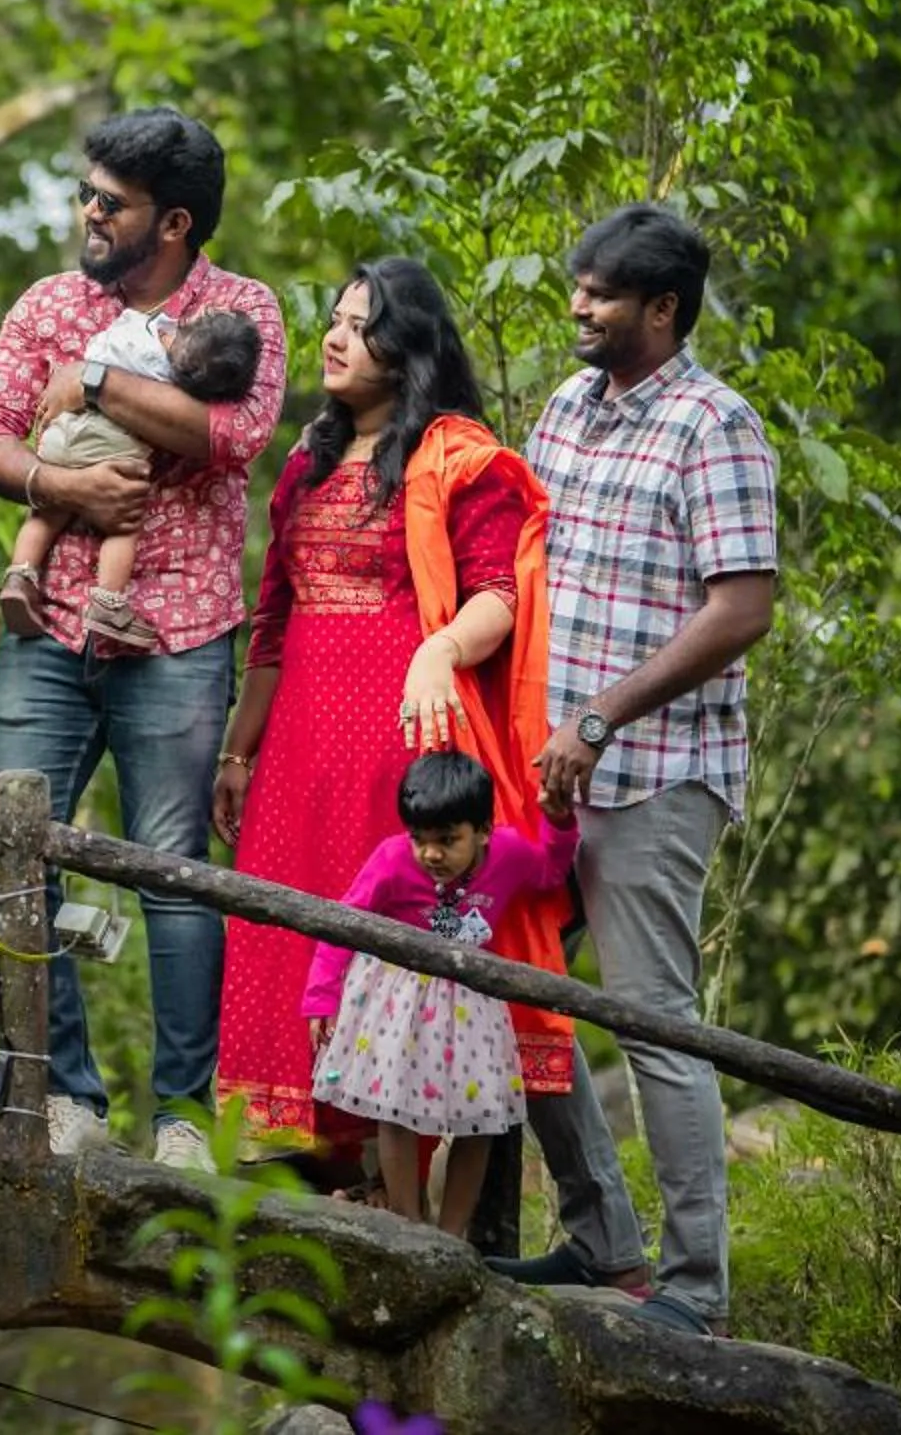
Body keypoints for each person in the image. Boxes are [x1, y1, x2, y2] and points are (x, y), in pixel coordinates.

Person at [0, 109, 286, 1166]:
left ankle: (185, 1115)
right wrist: (63, 484)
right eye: (88, 193)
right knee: (17, 854)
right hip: (45, 621)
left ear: (177, 222)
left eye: (113, 202)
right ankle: (62, 1097)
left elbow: (235, 434)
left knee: (174, 870)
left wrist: (102, 383)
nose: (89, 214)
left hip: (181, 633)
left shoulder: (245, 309)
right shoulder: (48, 302)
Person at [212, 258, 574, 1164]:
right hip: (296, 739)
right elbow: (272, 621)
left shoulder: (459, 459)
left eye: (360, 324)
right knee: (285, 923)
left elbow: (500, 593)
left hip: (401, 731)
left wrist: (440, 650)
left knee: (387, 932)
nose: (334, 338)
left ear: (407, 345)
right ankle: (306, 1162)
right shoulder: (308, 459)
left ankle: (386, 1162)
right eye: (333, 319)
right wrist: (236, 753)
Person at [495, 206, 779, 1338]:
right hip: (546, 772)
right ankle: (599, 1235)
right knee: (513, 986)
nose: (580, 304)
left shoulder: (719, 426)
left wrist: (601, 719)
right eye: (580, 284)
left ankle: (696, 1290)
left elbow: (742, 609)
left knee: (655, 1022)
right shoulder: (568, 408)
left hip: (658, 769)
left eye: (604, 293)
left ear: (663, 310)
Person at [304, 752, 579, 1237]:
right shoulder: (391, 859)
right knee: (393, 1112)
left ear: (483, 831)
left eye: (448, 840)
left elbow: (550, 875)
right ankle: (410, 1230)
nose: (431, 854)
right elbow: (343, 922)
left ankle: (453, 1237)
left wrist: (561, 824)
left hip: (473, 1009)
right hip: (397, 1006)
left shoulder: (510, 853)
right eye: (420, 840)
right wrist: (322, 999)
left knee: (479, 1121)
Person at [1, 307, 266, 649]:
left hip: (63, 428)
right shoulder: (173, 378)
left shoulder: (137, 326)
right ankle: (108, 603)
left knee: (46, 514)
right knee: (122, 523)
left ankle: (19, 577)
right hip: (111, 443)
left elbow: (100, 345)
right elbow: (202, 420)